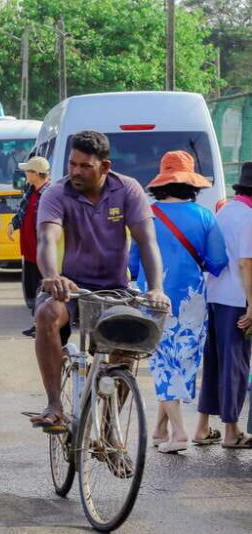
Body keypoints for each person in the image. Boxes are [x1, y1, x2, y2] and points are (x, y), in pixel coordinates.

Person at [29, 130, 169, 432]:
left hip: (115, 288)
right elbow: (47, 239)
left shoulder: (127, 190)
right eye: (72, 164)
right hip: (72, 287)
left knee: (125, 347)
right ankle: (55, 404)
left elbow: (147, 242)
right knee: (46, 314)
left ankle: (109, 427)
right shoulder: (57, 193)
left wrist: (156, 287)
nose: (76, 172)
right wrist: (52, 276)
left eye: (85, 166)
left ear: (105, 166)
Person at [129, 151, 228, 454]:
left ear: (161, 184)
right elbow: (218, 262)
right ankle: (161, 428)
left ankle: (180, 433)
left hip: (154, 298)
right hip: (193, 301)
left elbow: (132, 264)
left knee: (162, 363)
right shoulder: (205, 217)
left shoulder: (146, 215)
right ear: (191, 185)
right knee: (181, 363)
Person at [194, 162, 252, 448]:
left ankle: (202, 427)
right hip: (237, 299)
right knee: (235, 365)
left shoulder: (226, 210)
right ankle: (232, 432)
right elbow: (245, 263)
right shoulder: (249, 217)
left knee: (214, 362)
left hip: (215, 295)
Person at [7, 156, 51, 338]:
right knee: (33, 290)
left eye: (28, 171)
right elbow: (22, 211)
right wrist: (13, 224)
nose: (25, 174)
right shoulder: (30, 189)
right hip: (29, 252)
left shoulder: (50, 193)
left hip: (44, 253)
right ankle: (36, 324)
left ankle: (41, 326)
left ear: (36, 174)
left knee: (45, 291)